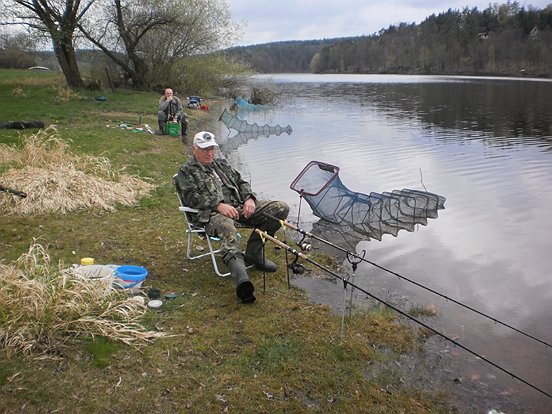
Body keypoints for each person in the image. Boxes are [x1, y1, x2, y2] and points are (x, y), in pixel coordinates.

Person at [176, 131, 290, 304]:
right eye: (204, 149)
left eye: (212, 149)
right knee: (227, 228)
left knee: (280, 208)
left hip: (239, 207)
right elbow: (191, 198)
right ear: (194, 149)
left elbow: (241, 182)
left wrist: (249, 198)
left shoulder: (221, 164)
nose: (209, 153)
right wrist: (218, 205)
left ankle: (253, 254)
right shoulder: (186, 171)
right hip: (212, 214)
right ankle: (242, 281)